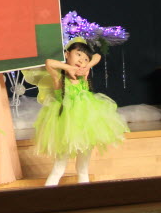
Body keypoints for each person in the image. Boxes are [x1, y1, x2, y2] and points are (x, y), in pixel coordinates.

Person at [31, 38, 129, 186]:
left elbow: (97, 56)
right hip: (65, 127)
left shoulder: (83, 75)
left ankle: (85, 194)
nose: (81, 60)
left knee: (83, 168)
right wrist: (68, 68)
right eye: (78, 55)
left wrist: (87, 66)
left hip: (86, 128)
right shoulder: (59, 78)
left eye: (85, 58)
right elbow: (49, 63)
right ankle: (48, 194)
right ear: (67, 54)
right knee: (59, 167)